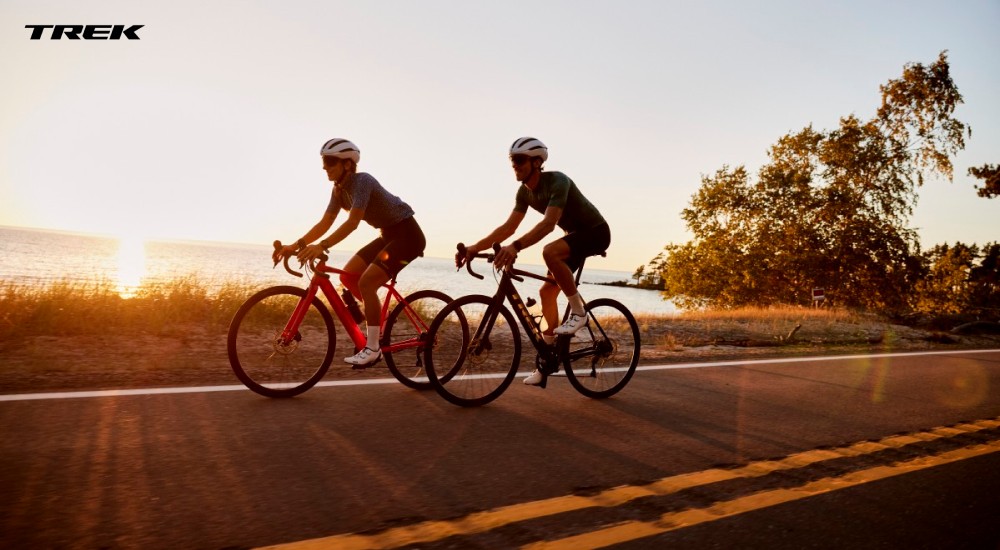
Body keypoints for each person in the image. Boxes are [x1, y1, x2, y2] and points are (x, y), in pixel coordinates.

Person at [457, 137, 611, 386]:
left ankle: (580, 314)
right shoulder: (524, 192)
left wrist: (516, 246)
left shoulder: (558, 181)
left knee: (550, 252)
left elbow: (549, 224)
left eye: (519, 160)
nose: (514, 166)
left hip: (596, 232)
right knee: (546, 292)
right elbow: (508, 227)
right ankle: (547, 362)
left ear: (537, 162)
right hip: (573, 237)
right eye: (512, 161)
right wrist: (474, 247)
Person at [274, 138, 426, 367]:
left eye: (330, 162)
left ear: (347, 164)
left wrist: (322, 246)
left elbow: (353, 222)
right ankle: (379, 323)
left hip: (408, 235)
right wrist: (295, 246)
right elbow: (325, 222)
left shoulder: (362, 181)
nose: (325, 167)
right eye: (324, 162)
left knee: (366, 283)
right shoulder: (338, 190)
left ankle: (373, 348)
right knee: (347, 276)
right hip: (387, 235)